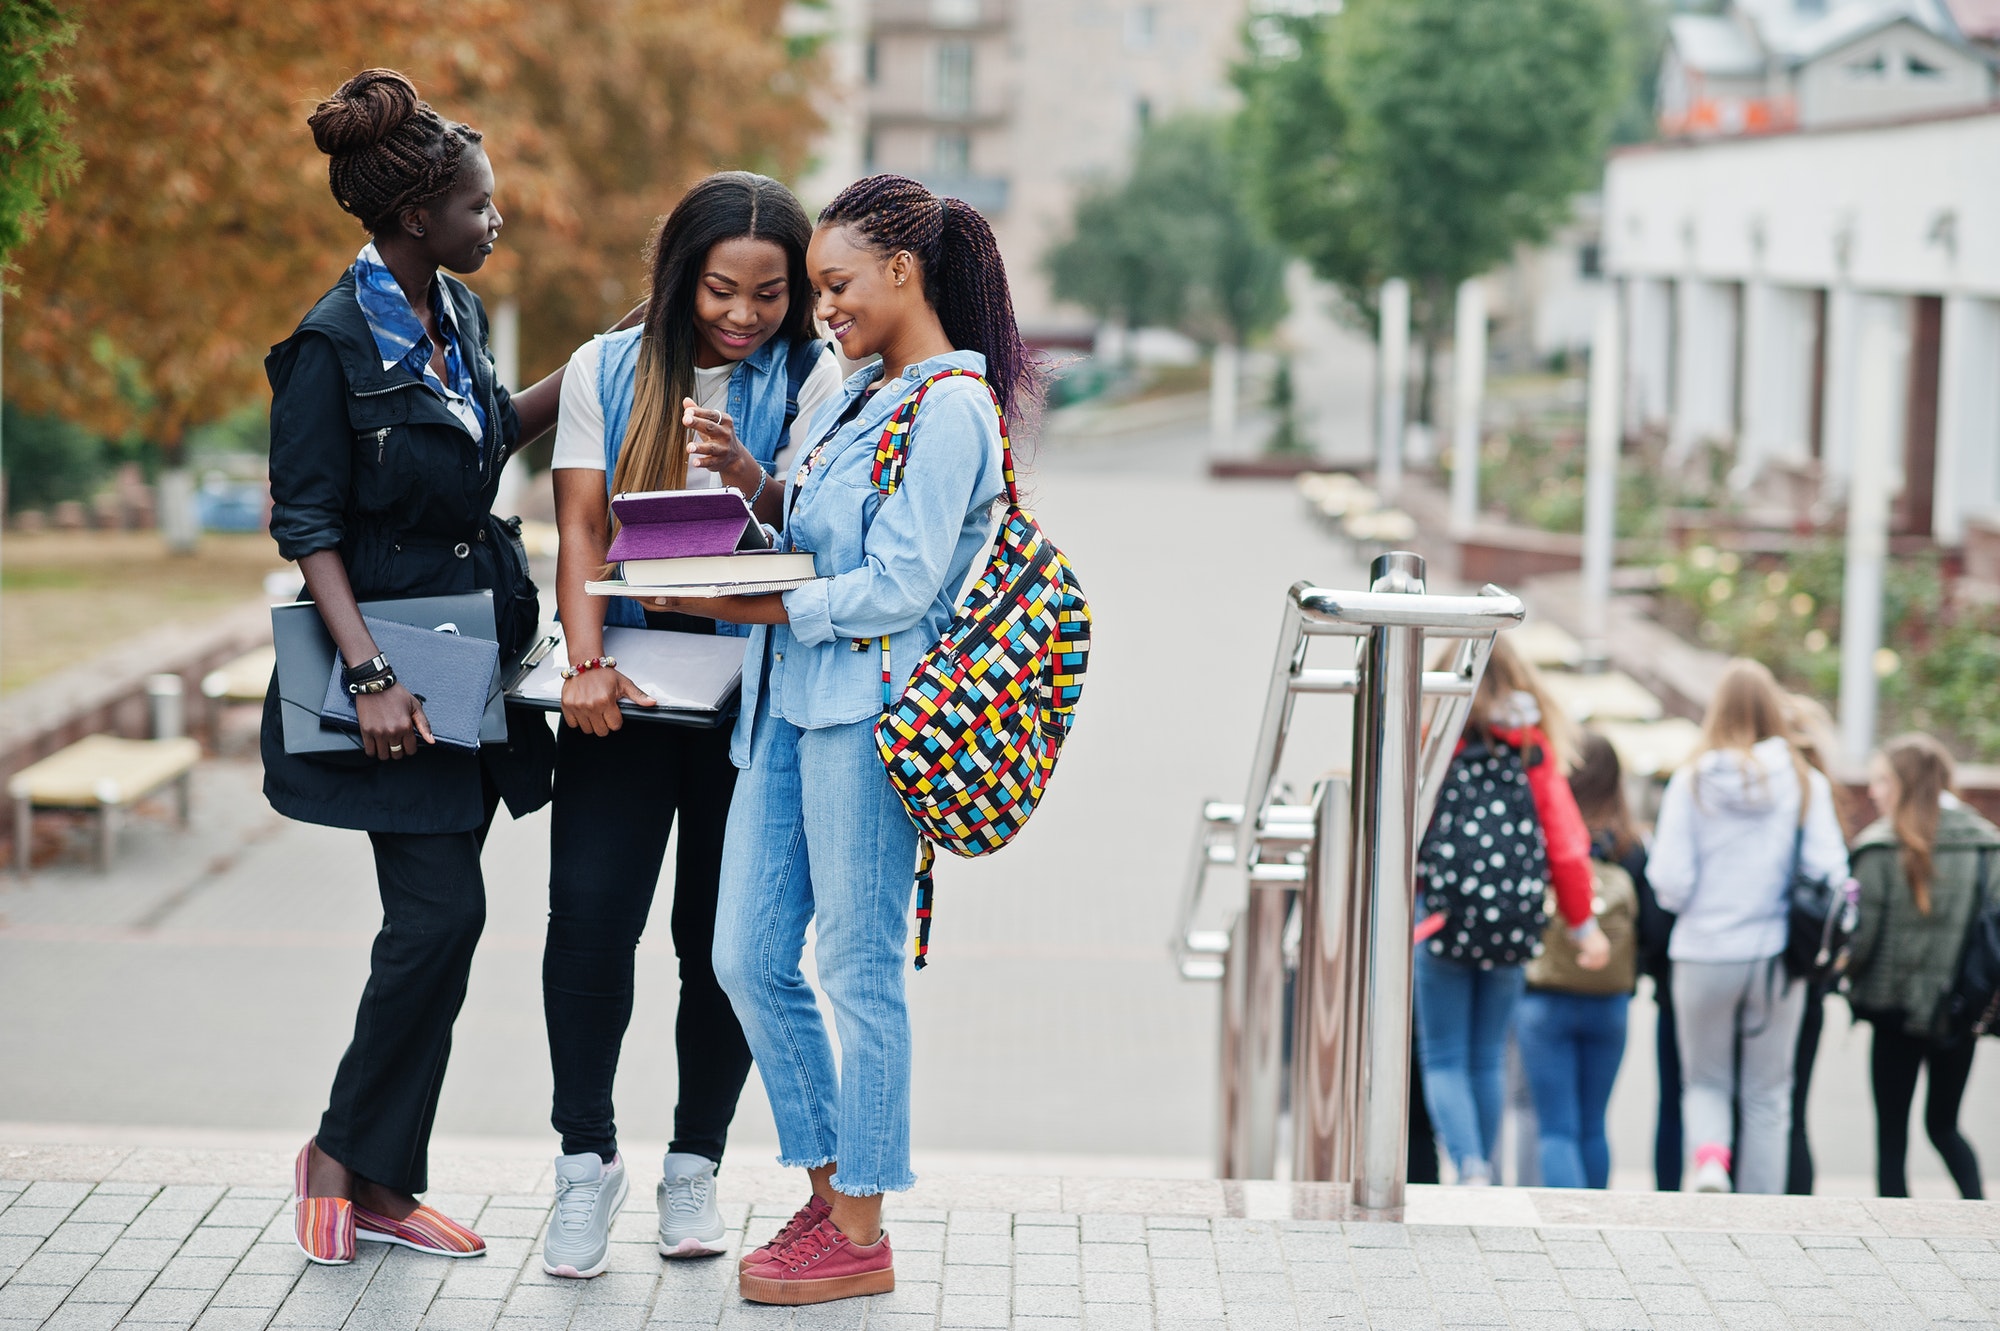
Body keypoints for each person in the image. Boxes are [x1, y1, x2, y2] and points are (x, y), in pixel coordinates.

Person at [645, 175, 1027, 1305]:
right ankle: (830, 1191)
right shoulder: (853, 391)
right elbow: (816, 534)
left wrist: (746, 602)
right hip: (783, 706)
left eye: (836, 284)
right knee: (744, 957)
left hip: (866, 715)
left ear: (902, 272)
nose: (823, 309)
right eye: (819, 291)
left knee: (858, 972)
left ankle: (859, 1225)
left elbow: (899, 584)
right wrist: (745, 485)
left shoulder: (950, 408)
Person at [266, 69, 564, 1265]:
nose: (495, 219)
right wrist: (369, 673)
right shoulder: (328, 346)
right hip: (392, 674)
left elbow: (485, 440)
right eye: (478, 204)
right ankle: (339, 1155)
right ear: (413, 216)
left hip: (467, 660)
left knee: (439, 921)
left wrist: (606, 359)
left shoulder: (456, 312)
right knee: (441, 915)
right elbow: (308, 525)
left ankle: (382, 1179)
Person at [536, 173, 841, 1279]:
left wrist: (747, 474)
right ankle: (584, 1163)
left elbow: (816, 540)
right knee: (587, 931)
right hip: (623, 692)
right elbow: (580, 527)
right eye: (721, 289)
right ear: (679, 277)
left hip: (750, 705)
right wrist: (584, 666)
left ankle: (693, 1164)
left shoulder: (815, 376)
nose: (744, 314)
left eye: (769, 293)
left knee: (719, 946)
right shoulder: (604, 368)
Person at [1413, 634, 1608, 1185]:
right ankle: (1486, 1173)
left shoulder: (1433, 739)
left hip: (1440, 917)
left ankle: (1470, 1167)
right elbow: (1565, 845)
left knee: (1444, 1056)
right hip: (1512, 922)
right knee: (1487, 1056)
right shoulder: (1530, 747)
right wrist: (1583, 925)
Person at [1649, 659, 1848, 1195]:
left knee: (1704, 1080)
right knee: (1768, 1094)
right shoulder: (1805, 783)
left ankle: (1711, 1163)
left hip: (1703, 951)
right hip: (1774, 958)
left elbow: (1669, 880)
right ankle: (1762, 1211)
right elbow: (1829, 871)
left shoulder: (1691, 781)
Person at [1846, 733, 1993, 1199]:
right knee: (1944, 1126)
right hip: (1959, 1010)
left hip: (1892, 1011)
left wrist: (1845, 978)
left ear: (1904, 783)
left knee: (1891, 1137)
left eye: (1881, 780)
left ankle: (1894, 1230)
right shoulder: (1985, 846)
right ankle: (1983, 1216)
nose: (1873, 792)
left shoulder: (1878, 848)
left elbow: (1860, 941)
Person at [1515, 731, 1644, 1189]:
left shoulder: (1543, 838)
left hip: (1544, 998)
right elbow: (1651, 928)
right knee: (1592, 1124)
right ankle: (1594, 1218)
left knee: (1556, 1128)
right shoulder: (1630, 847)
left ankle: (1561, 1220)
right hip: (1609, 1002)